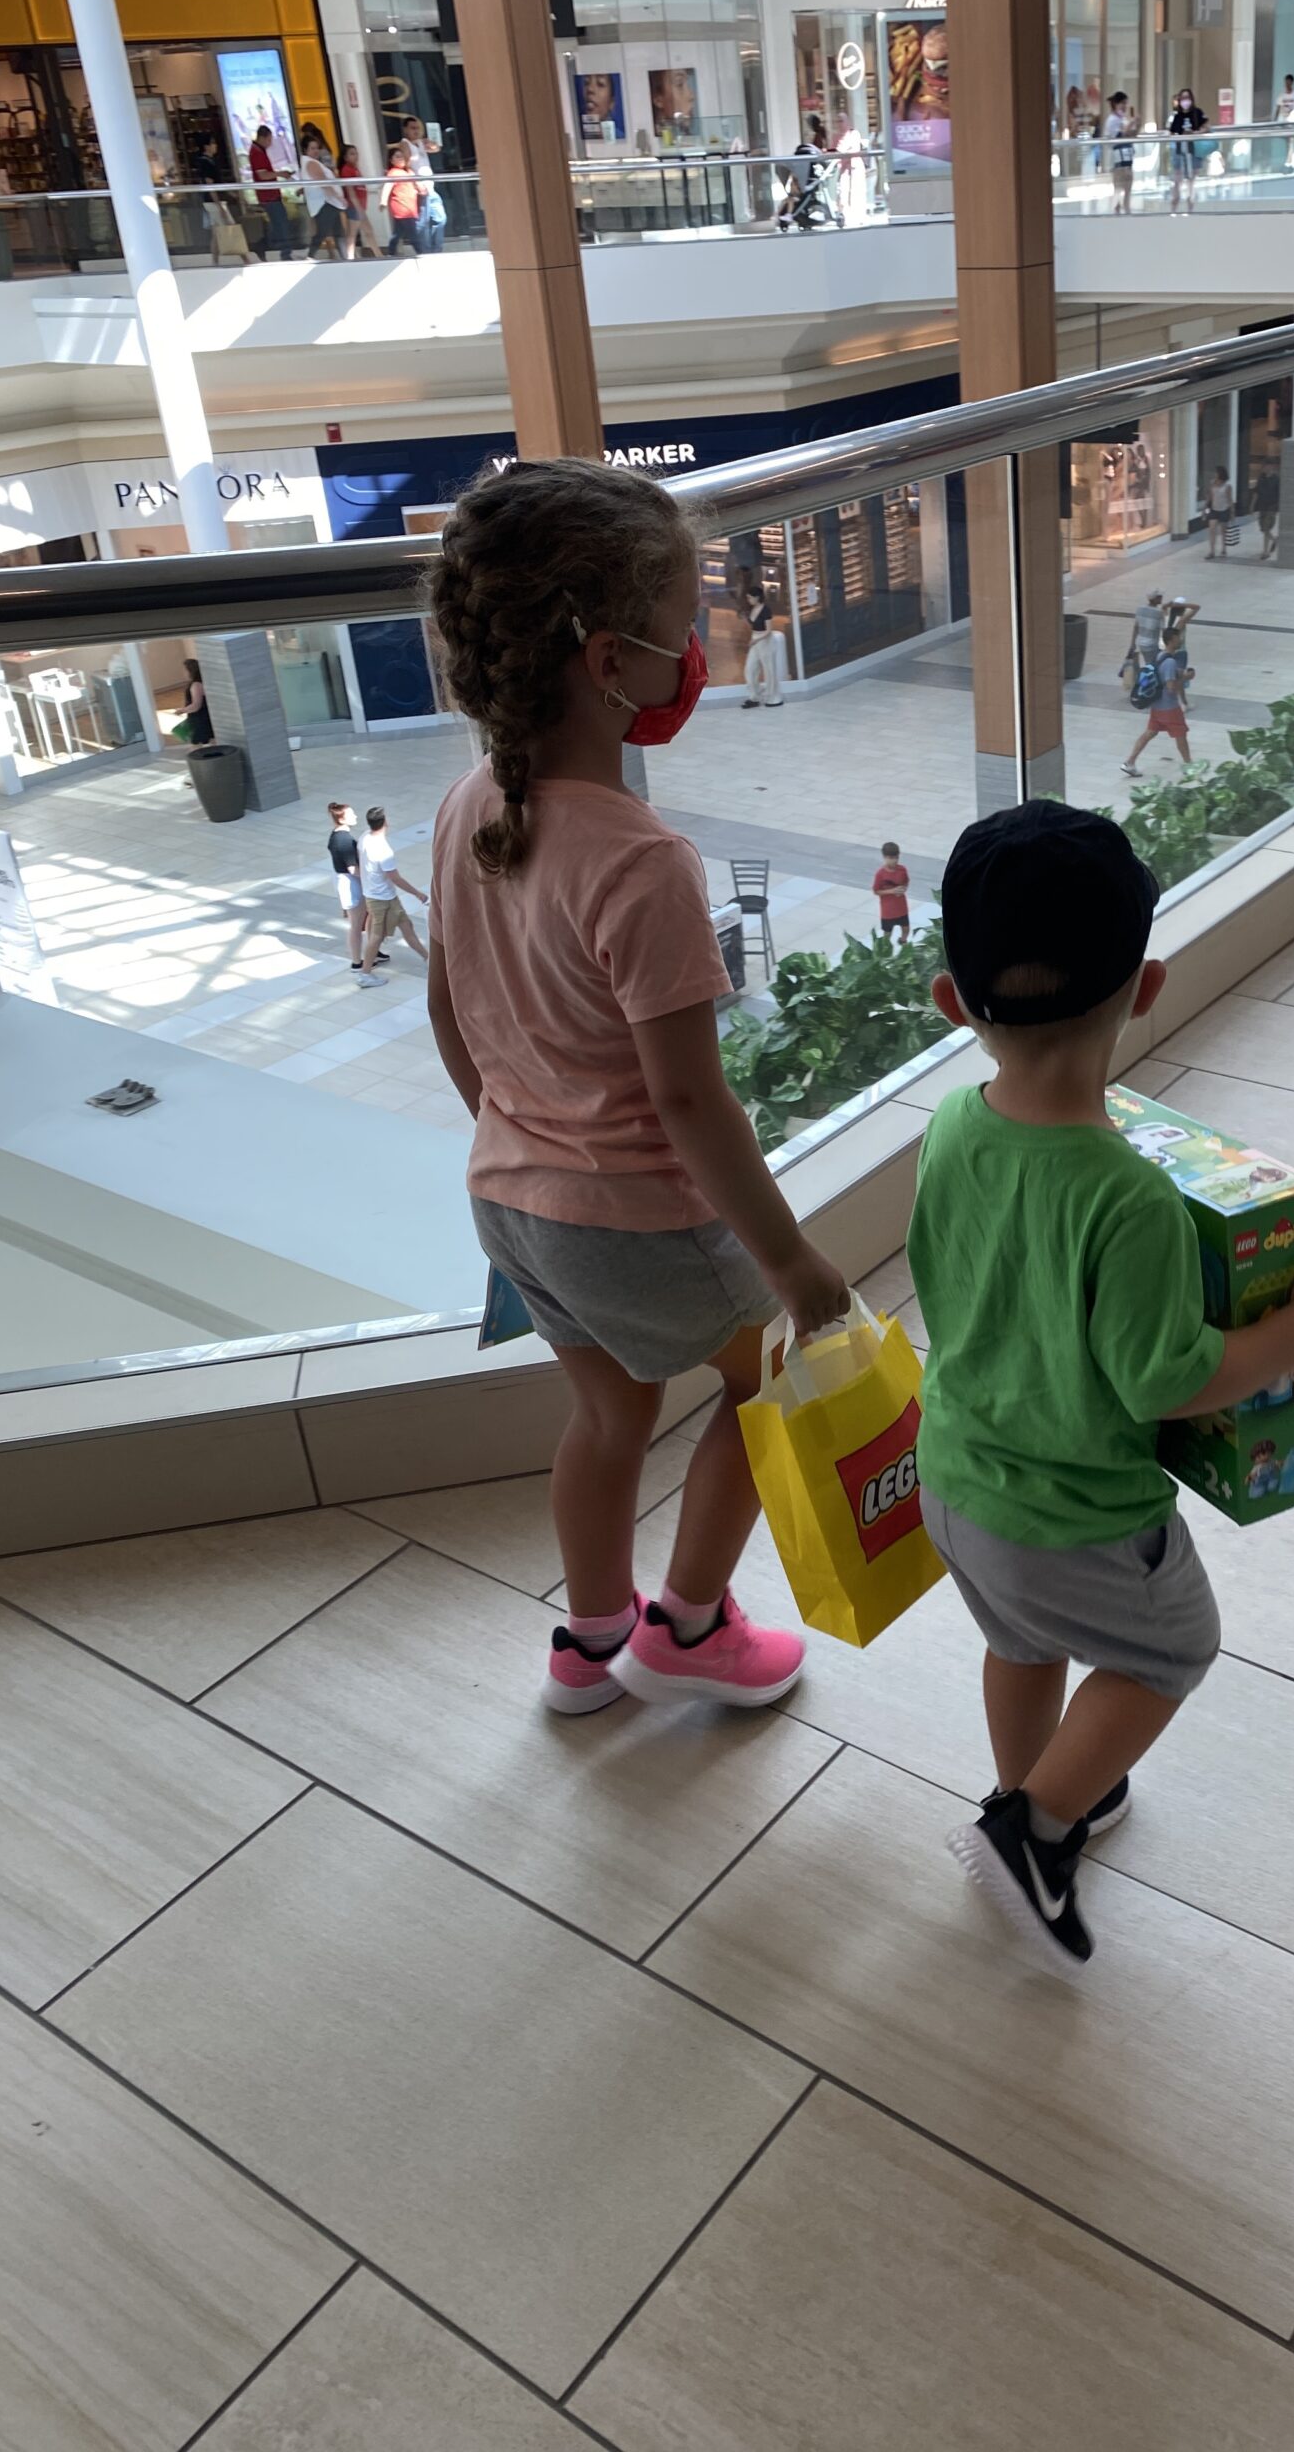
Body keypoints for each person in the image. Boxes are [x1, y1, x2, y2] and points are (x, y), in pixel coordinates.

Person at [423, 457, 849, 1716]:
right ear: (610, 662)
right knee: (768, 1384)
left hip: (511, 1204)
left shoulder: (464, 804)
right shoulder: (643, 861)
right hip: (633, 1217)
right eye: (682, 625)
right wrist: (797, 1269)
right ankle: (691, 1629)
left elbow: (447, 1008)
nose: (697, 651)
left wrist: (527, 1136)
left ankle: (590, 1643)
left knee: (608, 1418)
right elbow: (689, 1104)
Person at [911, 800, 1294, 1966]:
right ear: (1148, 987)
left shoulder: (951, 1126)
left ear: (953, 1003)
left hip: (955, 1480)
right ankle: (1034, 1831)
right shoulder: (1131, 1198)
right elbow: (1171, 1381)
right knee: (1171, 1648)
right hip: (1075, 1517)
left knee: (1020, 1640)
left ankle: (1032, 1783)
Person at [358, 804, 429, 973]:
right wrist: (417, 894)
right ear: (385, 822)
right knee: (377, 936)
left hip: (376, 895)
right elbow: (395, 878)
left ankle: (428, 958)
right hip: (382, 899)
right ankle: (365, 973)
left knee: (406, 925)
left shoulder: (364, 837)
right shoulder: (383, 850)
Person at [1121, 635, 1190, 774]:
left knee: (1149, 733)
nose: (1181, 640)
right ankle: (1189, 766)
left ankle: (1130, 762)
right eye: (1177, 638)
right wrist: (1185, 678)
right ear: (1171, 641)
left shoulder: (1159, 656)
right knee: (1180, 735)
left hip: (1156, 706)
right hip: (1170, 708)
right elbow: (1171, 687)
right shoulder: (1170, 662)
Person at [326, 800, 369, 969]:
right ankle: (357, 961)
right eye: (351, 814)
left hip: (345, 882)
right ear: (342, 819)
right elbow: (353, 869)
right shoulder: (344, 840)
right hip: (351, 885)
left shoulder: (335, 835)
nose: (355, 816)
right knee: (356, 925)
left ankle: (371, 951)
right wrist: (370, 877)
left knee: (360, 922)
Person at [298, 126, 346, 260]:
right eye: (312, 148)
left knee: (336, 231)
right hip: (324, 203)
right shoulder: (311, 163)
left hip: (327, 202)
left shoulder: (310, 163)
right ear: (306, 150)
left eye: (317, 148)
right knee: (324, 232)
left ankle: (345, 257)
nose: (316, 151)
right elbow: (323, 182)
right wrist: (338, 197)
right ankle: (310, 256)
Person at [401, 115, 448, 249]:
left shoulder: (421, 142)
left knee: (440, 219)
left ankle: (436, 249)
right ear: (405, 130)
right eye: (412, 128)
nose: (416, 131)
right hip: (419, 189)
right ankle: (425, 251)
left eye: (417, 128)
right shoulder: (405, 143)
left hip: (430, 187)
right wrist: (416, 183)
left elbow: (436, 148)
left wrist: (430, 142)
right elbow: (407, 166)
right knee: (423, 222)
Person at [248, 124, 290, 258]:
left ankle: (263, 246)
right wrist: (280, 174)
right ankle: (285, 253)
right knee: (281, 224)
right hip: (269, 195)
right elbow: (263, 175)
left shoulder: (258, 151)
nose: (270, 143)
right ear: (262, 138)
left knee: (277, 225)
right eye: (269, 140)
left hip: (269, 194)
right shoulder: (257, 153)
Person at [1167, 88, 1208, 213]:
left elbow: (1206, 126)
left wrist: (1196, 133)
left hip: (1194, 150)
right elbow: (1171, 132)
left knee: (1191, 179)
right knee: (1177, 179)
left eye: (1188, 98)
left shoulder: (1197, 113)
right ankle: (1174, 206)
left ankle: (1190, 206)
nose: (1186, 101)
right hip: (1180, 150)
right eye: (1183, 98)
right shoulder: (1177, 116)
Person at [741, 582, 781, 708]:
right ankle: (755, 696)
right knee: (750, 669)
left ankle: (773, 697)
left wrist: (756, 640)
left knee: (769, 670)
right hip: (755, 639)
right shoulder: (753, 609)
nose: (748, 600)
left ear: (757, 597)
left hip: (765, 640)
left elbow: (768, 630)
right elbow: (753, 625)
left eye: (750, 598)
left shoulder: (766, 610)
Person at [337, 143, 379, 258]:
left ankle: (378, 254)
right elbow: (350, 191)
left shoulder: (355, 169)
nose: (356, 156)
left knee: (366, 231)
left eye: (356, 153)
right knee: (353, 233)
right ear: (345, 157)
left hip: (359, 206)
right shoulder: (346, 170)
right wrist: (358, 208)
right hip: (354, 206)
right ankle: (351, 257)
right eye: (352, 154)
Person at [381, 144, 421, 255]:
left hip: (410, 208)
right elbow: (387, 186)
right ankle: (422, 253)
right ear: (391, 160)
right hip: (402, 208)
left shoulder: (407, 172)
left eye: (402, 156)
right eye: (397, 157)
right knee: (413, 234)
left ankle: (391, 252)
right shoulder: (393, 172)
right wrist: (383, 201)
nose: (401, 159)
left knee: (397, 233)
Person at [1103, 90, 1136, 213]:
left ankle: (1125, 208)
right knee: (1120, 184)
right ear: (1116, 104)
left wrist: (1135, 124)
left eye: (1125, 103)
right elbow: (1121, 134)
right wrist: (1132, 123)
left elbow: (1131, 134)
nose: (1124, 106)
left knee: (1127, 185)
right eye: (1122, 103)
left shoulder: (1122, 118)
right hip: (1119, 157)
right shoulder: (1112, 120)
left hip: (1127, 155)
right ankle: (1118, 208)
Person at [1122, 587, 1166, 680]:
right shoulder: (1159, 612)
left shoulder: (1140, 609)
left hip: (1141, 643)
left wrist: (1132, 644)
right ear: (1155, 599)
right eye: (1159, 596)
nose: (1161, 598)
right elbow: (1163, 630)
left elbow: (1136, 627)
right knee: (1151, 665)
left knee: (1150, 663)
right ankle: (1146, 683)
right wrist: (1165, 646)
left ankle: (1148, 681)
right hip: (1152, 644)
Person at [872, 840, 910, 944]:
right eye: (891, 858)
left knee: (906, 928)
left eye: (896, 858)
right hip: (887, 910)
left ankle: (903, 941)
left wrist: (904, 888)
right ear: (885, 857)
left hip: (901, 908)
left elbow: (906, 881)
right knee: (887, 932)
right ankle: (886, 948)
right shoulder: (880, 874)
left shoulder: (902, 870)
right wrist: (892, 891)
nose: (894, 861)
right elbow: (876, 891)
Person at [176, 657, 213, 744]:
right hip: (202, 718)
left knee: (198, 742)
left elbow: (196, 705)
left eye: (185, 670)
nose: (184, 673)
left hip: (200, 719)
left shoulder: (196, 685)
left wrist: (182, 710)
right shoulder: (200, 683)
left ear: (190, 671)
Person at [1204, 464, 1235, 559]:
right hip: (1214, 509)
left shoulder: (1227, 486)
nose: (1215, 474)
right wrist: (1204, 508)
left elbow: (1230, 500)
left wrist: (1232, 513)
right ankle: (1212, 551)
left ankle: (1224, 549)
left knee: (1223, 531)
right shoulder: (1212, 483)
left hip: (1224, 510)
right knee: (1212, 529)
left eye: (1216, 473)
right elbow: (1209, 497)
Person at [1252, 460, 1281, 560]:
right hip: (1262, 506)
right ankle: (1275, 540)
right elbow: (1256, 492)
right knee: (1263, 528)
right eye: (1263, 466)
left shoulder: (1277, 479)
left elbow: (1279, 494)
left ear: (1271, 466)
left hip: (1272, 507)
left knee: (1266, 527)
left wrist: (1278, 507)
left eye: (1265, 466)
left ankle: (1265, 552)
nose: (1263, 468)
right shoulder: (1261, 478)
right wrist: (1252, 505)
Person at [1276, 70, 1294, 170]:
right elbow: (1278, 108)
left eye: (1288, 82)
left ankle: (1289, 162)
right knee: (1288, 142)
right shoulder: (1282, 95)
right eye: (1286, 82)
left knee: (1291, 141)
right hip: (1284, 121)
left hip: (1293, 122)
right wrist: (1274, 122)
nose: (1287, 84)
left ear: (1292, 83)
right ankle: (1289, 161)